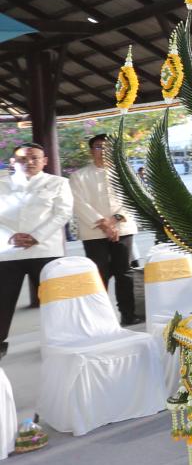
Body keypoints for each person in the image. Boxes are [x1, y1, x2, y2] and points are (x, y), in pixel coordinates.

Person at [0, 144, 73, 358]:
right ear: (13, 162)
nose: (29, 162)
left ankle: (61, 340)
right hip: (8, 250)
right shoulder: (2, 184)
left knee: (54, 299)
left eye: (34, 158)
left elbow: (63, 213)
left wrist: (36, 236)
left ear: (45, 161)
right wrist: (10, 236)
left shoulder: (58, 183)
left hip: (45, 249)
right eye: (23, 159)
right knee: (3, 299)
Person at [69, 133, 138, 326]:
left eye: (108, 147)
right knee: (98, 274)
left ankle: (128, 314)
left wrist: (114, 220)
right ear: (91, 151)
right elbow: (78, 203)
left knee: (125, 273)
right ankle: (100, 319)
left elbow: (133, 199)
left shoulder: (125, 173)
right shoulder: (78, 176)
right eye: (99, 147)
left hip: (123, 229)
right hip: (93, 232)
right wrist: (104, 224)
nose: (104, 151)